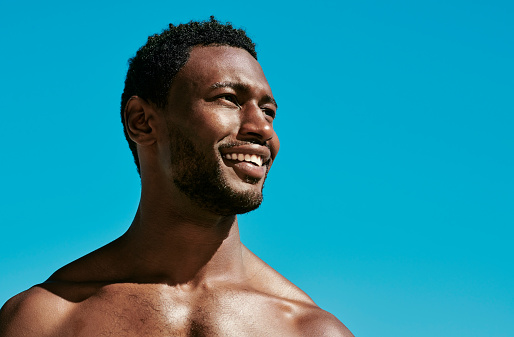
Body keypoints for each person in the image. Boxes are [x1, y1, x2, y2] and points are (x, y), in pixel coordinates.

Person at [0, 17, 353, 336]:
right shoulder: (45, 320)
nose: (262, 128)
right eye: (228, 98)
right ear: (142, 121)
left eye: (268, 111)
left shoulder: (309, 330)